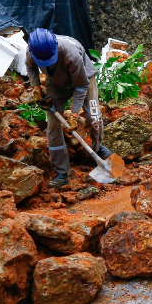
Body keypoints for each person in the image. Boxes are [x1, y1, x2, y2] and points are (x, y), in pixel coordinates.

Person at [25, 28, 112, 188]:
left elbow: (82, 85)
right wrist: (36, 87)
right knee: (53, 126)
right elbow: (30, 67)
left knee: (93, 118)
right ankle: (61, 172)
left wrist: (74, 113)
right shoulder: (32, 51)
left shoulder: (71, 54)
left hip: (84, 80)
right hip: (56, 83)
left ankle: (97, 147)